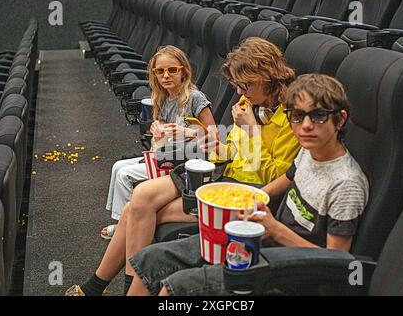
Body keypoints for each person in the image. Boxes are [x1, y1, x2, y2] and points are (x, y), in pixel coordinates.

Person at [65, 37, 300, 296]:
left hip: (245, 193)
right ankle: (100, 287)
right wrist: (208, 141)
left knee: (136, 210)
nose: (241, 92)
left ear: (268, 75)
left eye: (246, 84)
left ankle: (110, 288)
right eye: (237, 85)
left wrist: (252, 130)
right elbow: (230, 152)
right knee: (139, 200)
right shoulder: (250, 106)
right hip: (221, 175)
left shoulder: (292, 118)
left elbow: (278, 177)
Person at [126, 73, 370, 296]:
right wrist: (246, 201)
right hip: (262, 241)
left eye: (317, 115)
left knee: (174, 288)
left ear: (339, 120)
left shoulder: (346, 184)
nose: (305, 125)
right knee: (147, 261)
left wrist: (275, 229)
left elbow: (337, 261)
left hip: (289, 271)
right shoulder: (309, 152)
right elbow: (285, 180)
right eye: (297, 116)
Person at [101, 45, 215, 239]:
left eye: (172, 70)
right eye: (160, 71)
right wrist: (157, 134)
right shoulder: (162, 98)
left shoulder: (195, 98)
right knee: (117, 166)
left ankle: (126, 226)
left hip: (187, 160)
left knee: (125, 174)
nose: (166, 76)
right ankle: (124, 221)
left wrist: (186, 131)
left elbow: (214, 136)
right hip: (166, 154)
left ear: (183, 72)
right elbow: (160, 140)